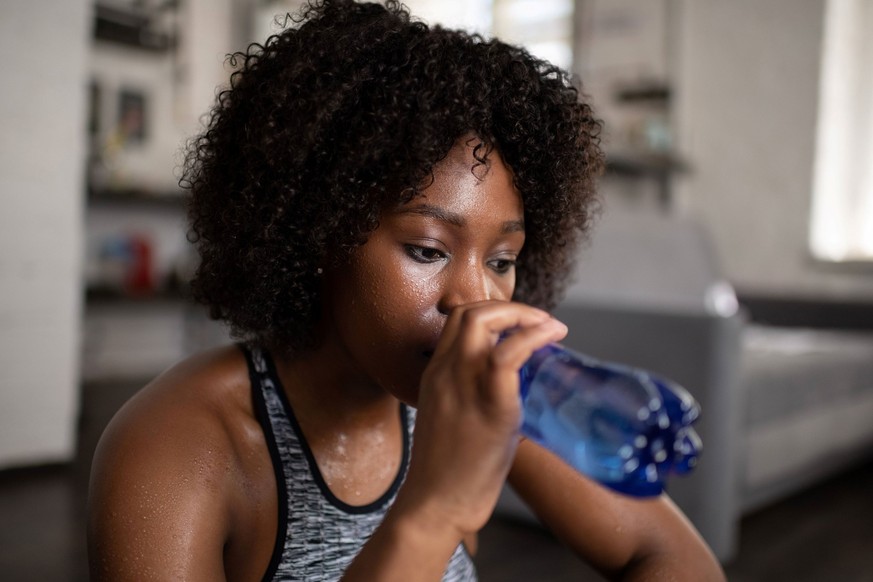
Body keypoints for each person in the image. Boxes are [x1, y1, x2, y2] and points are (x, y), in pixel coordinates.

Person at [87, 1, 726, 580]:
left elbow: (671, 557)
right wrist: (435, 509)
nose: (474, 303)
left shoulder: (489, 396)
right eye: (427, 250)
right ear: (319, 230)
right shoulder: (174, 447)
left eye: (503, 259)